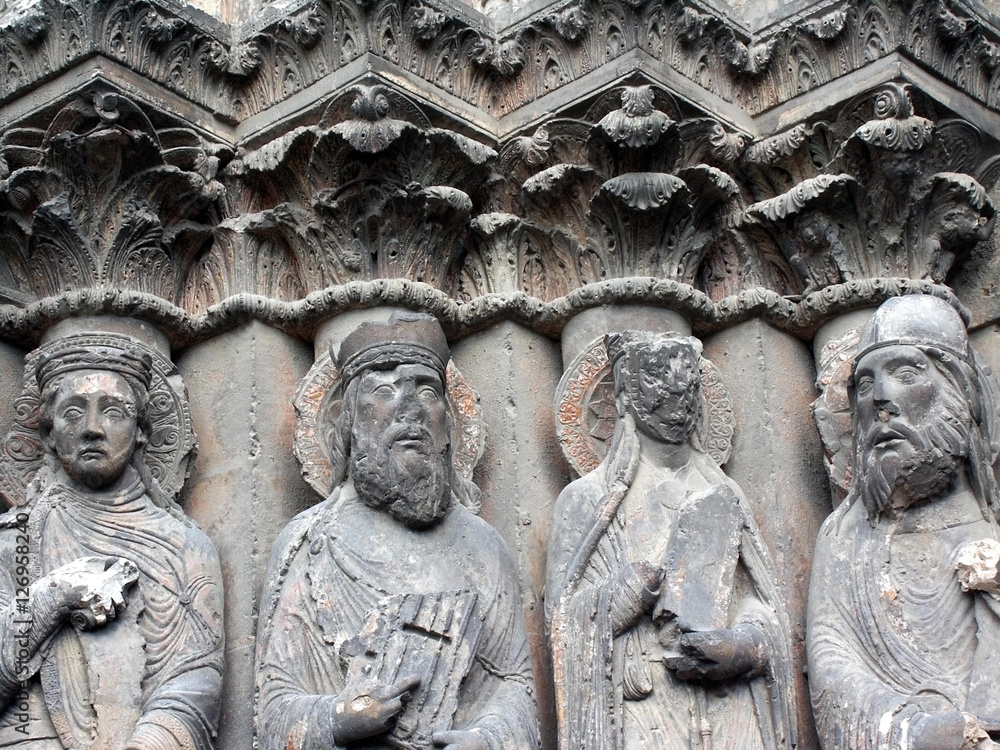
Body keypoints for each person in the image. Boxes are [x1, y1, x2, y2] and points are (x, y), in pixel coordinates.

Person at [255, 312, 540, 750]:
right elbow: (273, 709)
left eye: (426, 390)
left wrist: (487, 739)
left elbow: (515, 685)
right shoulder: (309, 544)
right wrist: (338, 718)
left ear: (449, 420)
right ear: (349, 419)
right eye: (383, 389)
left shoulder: (483, 547)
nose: (410, 408)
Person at [546, 331, 797, 750]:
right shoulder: (587, 500)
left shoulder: (724, 492)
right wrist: (619, 597)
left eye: (686, 384)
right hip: (641, 712)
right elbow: (563, 621)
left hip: (729, 710)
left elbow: (763, 603)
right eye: (657, 380)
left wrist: (745, 645)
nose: (675, 394)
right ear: (625, 394)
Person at [0, 337, 225, 749]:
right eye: (72, 412)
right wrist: (52, 596)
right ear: (49, 434)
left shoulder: (183, 545)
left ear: (140, 431)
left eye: (113, 411)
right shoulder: (14, 539)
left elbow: (195, 681)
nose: (91, 428)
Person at [808, 295, 1000, 750]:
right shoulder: (844, 540)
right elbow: (832, 671)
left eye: (907, 374)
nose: (880, 400)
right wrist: (913, 732)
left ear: (961, 392)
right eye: (865, 382)